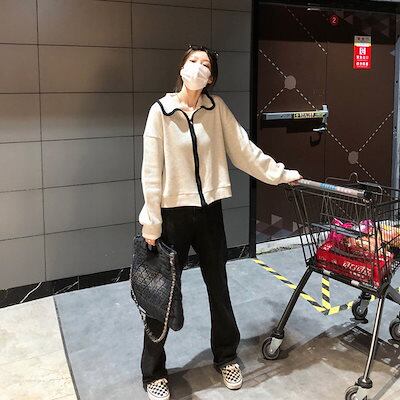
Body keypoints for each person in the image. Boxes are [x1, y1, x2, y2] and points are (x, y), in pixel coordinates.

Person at [138, 44, 302, 400]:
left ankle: (226, 356)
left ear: (211, 78)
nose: (198, 68)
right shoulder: (161, 112)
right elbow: (151, 172)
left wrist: (280, 174)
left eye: (206, 65)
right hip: (173, 216)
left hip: (210, 213)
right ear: (182, 67)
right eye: (193, 61)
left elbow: (244, 150)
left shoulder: (216, 109)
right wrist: (151, 223)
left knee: (219, 288)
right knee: (162, 295)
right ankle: (153, 372)